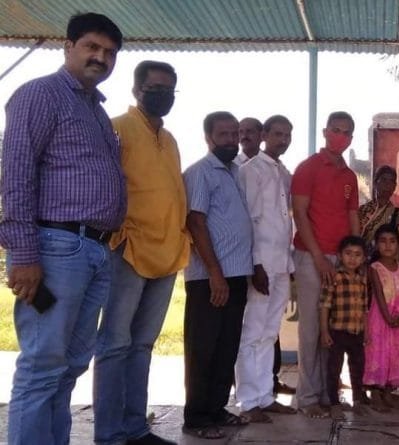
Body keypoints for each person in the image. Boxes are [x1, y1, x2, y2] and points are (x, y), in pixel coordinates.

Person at [0, 13, 125, 445]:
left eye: (109, 52)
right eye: (92, 47)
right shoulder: (41, 94)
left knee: (70, 366)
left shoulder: (96, 111)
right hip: (55, 248)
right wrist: (24, 254)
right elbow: (16, 175)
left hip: (94, 250)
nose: (101, 57)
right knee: (42, 366)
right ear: (68, 47)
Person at [93, 60, 188, 445]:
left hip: (168, 253)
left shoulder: (171, 139)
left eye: (169, 90)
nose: (163, 95)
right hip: (128, 250)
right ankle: (109, 435)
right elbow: (103, 185)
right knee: (114, 344)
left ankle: (135, 429)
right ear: (136, 90)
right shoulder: (116, 128)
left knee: (143, 345)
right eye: (155, 88)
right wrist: (117, 234)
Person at [181, 112, 253, 440]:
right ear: (208, 137)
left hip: (236, 274)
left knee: (226, 347)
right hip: (209, 278)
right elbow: (196, 223)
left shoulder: (235, 172)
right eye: (223, 134)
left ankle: (216, 408)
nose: (231, 140)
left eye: (234, 134)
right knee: (204, 348)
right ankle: (197, 417)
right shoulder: (200, 173)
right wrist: (214, 273)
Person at [291, 111, 360, 418]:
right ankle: (307, 398)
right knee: (310, 328)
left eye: (346, 132)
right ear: (325, 131)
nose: (340, 136)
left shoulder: (349, 176)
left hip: (341, 260)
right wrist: (318, 257)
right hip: (311, 256)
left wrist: (355, 256)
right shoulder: (308, 168)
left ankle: (326, 394)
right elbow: (299, 213)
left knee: (330, 330)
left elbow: (352, 215)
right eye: (336, 130)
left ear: (351, 138)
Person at [234, 115, 297, 422]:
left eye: (287, 135)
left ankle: (265, 395)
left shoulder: (284, 172)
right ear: (264, 136)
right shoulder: (251, 170)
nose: (282, 140)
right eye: (277, 134)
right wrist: (256, 263)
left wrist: (290, 260)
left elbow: (286, 220)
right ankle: (248, 402)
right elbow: (249, 219)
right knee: (252, 332)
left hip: (282, 261)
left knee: (270, 332)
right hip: (261, 263)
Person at [320, 235, 370, 420]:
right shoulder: (334, 277)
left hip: (357, 332)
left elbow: (364, 308)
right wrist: (324, 331)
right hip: (338, 331)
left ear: (363, 258)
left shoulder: (362, 280)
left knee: (357, 368)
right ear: (340, 256)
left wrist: (366, 331)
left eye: (357, 254)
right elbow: (324, 305)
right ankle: (334, 404)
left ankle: (357, 401)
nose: (352, 258)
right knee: (334, 368)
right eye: (348, 253)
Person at [364, 224, 399, 411]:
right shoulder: (375, 268)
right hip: (379, 318)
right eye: (383, 241)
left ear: (398, 245)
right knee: (378, 353)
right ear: (376, 245)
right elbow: (378, 295)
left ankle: (387, 392)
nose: (388, 245)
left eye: (392, 241)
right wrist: (387, 317)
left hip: (396, 320)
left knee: (393, 353)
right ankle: (375, 393)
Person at [359, 166, 399, 262]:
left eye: (391, 181)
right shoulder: (362, 211)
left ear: (394, 186)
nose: (388, 185)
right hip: (359, 262)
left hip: (385, 265)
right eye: (384, 180)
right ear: (375, 183)